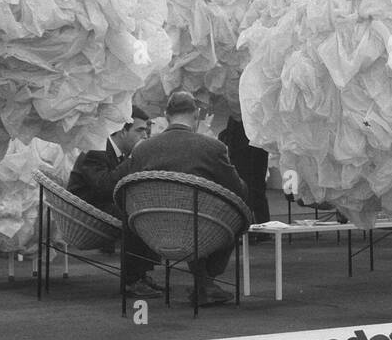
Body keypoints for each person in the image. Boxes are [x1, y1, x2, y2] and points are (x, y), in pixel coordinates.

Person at [114, 91, 250, 306]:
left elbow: (123, 185)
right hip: (202, 228)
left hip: (153, 227)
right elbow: (239, 190)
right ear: (196, 115)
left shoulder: (143, 149)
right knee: (237, 216)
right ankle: (205, 281)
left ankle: (139, 278)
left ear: (167, 116)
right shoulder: (213, 148)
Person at [66, 106, 160, 294]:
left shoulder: (119, 153)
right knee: (136, 215)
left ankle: (141, 274)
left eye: (146, 131)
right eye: (140, 130)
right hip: (85, 208)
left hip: (105, 203)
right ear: (123, 131)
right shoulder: (96, 148)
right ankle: (131, 280)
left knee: (148, 210)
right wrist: (133, 159)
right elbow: (104, 186)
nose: (145, 136)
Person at [218, 110, 271, 226]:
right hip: (254, 132)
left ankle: (251, 225)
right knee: (256, 183)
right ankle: (260, 223)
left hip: (245, 136)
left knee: (248, 184)